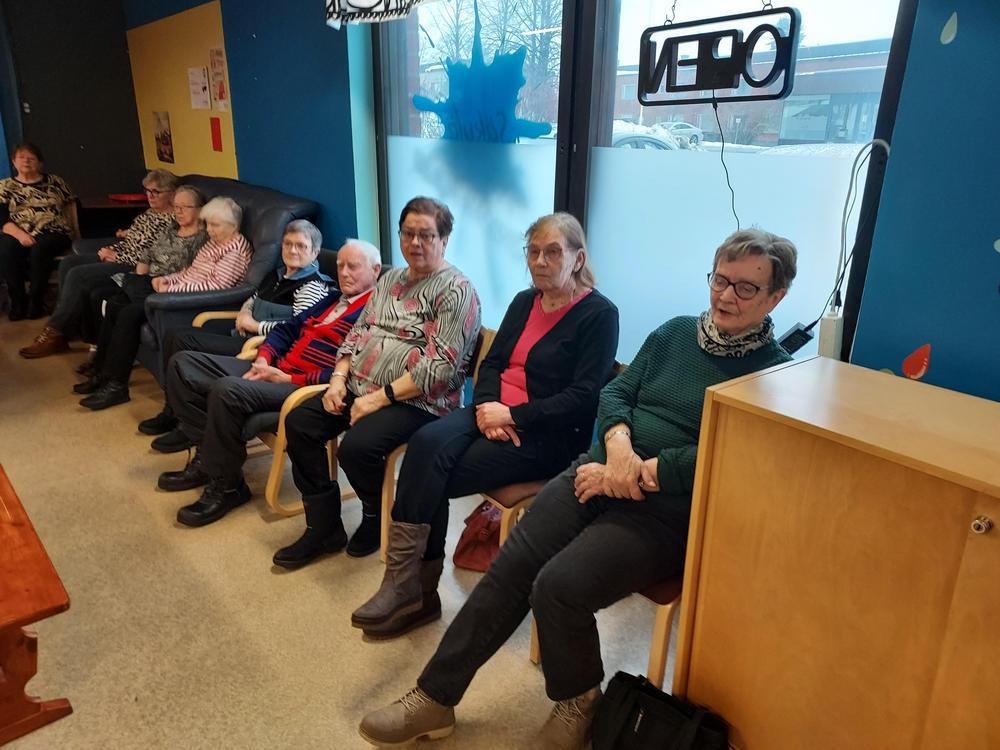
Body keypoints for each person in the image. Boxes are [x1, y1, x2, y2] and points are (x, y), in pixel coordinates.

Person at [358, 228, 798, 750]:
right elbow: (616, 393)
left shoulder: (774, 375)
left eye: (746, 288)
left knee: (558, 586)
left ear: (776, 297)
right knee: (512, 566)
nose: (726, 296)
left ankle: (579, 699)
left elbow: (728, 454)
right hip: (599, 470)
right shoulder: (676, 332)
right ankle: (435, 697)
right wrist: (617, 447)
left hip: (666, 510)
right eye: (720, 280)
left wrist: (639, 472)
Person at [351, 212, 619, 640]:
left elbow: (584, 398)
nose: (540, 261)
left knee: (431, 474)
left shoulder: (599, 314)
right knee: (424, 444)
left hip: (546, 435)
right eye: (533, 251)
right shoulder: (524, 301)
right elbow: (492, 363)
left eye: (553, 252)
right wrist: (487, 407)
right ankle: (407, 588)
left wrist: (512, 416)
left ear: (578, 258)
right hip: (491, 412)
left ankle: (412, 592)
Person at [272, 196, 481, 565]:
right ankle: (324, 527)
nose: (415, 243)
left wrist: (379, 398)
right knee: (300, 422)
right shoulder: (390, 279)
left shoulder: (457, 291)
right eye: (408, 233)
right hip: (358, 386)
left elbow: (439, 368)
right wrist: (338, 379)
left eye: (426, 235)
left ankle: (374, 515)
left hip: (420, 402)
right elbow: (357, 333)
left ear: (444, 240)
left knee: (358, 448)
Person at [155, 239, 381, 528]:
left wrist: (288, 378)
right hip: (273, 368)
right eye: (340, 265)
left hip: (300, 386)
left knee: (227, 390)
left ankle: (226, 486)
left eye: (353, 266)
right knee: (183, 364)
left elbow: (355, 372)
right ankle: (208, 458)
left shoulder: (374, 314)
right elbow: (286, 330)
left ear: (375, 270)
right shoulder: (332, 299)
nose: (344, 272)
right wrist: (264, 358)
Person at [138, 219, 333, 450]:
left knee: (183, 342)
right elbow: (253, 298)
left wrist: (256, 326)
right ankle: (175, 411)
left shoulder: (311, 287)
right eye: (288, 244)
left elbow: (299, 330)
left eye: (301, 246)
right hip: (243, 331)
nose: (292, 250)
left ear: (315, 252)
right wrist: (244, 312)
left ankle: (187, 423)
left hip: (261, 345)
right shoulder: (278, 274)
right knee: (174, 334)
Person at [78, 195, 251, 410]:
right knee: (116, 304)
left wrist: (171, 290)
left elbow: (215, 287)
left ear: (233, 225)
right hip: (175, 293)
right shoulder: (214, 243)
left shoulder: (234, 251)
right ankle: (101, 373)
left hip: (187, 304)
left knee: (129, 313)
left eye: (215, 225)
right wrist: (167, 279)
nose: (209, 230)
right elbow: (191, 271)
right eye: (208, 224)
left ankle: (116, 386)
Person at [18, 168, 178, 357]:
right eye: (148, 191)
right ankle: (64, 328)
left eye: (156, 192)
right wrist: (114, 247)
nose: (150, 196)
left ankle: (54, 332)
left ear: (172, 194)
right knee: (68, 263)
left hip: (134, 265)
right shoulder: (151, 213)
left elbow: (155, 255)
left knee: (78, 275)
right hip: (121, 254)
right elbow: (134, 240)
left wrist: (118, 257)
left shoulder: (174, 220)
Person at [0, 143, 76, 320]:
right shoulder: (4, 186)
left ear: (40, 163)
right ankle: (18, 302)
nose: (26, 161)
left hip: (54, 230)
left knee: (40, 248)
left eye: (31, 158)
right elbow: (1, 219)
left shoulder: (55, 182)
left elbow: (73, 206)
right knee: (7, 248)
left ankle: (36, 301)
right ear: (14, 162)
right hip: (16, 230)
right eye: (21, 157)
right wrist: (20, 235)